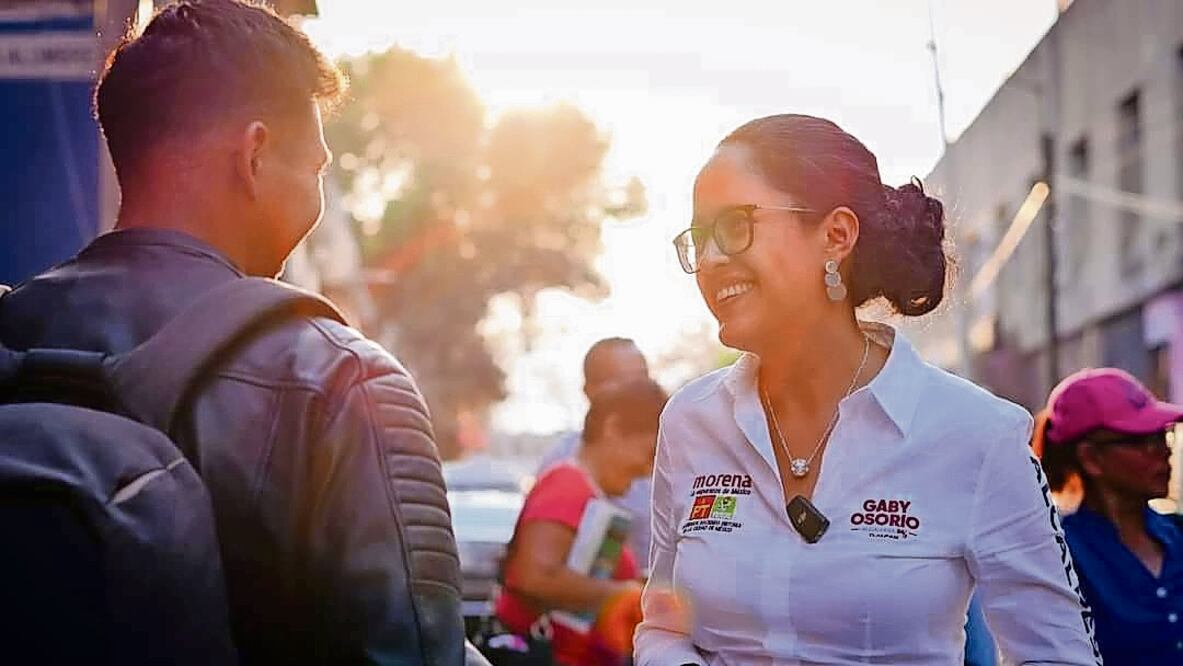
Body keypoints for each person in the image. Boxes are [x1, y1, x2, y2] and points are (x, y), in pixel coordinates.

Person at [0, 1, 469, 663]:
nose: (316, 196)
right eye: (317, 171)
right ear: (254, 154)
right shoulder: (340, 380)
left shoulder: (11, 335)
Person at [636, 114, 1100, 664]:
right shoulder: (690, 421)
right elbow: (662, 626)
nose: (711, 259)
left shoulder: (979, 435)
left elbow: (1058, 654)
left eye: (735, 225)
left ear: (836, 236)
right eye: (700, 238)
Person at [497, 378, 667, 665]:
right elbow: (533, 577)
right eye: (650, 453)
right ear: (613, 428)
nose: (648, 470)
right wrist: (625, 593)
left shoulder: (591, 495)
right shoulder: (567, 484)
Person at [1034, 368, 1183, 664]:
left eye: (1162, 436)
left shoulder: (1177, 532)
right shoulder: (1061, 555)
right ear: (1091, 457)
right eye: (1141, 441)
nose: (1163, 451)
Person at [537, 337, 654, 569]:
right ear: (589, 391)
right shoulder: (564, 466)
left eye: (644, 378)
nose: (640, 391)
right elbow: (537, 572)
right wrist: (625, 588)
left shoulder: (670, 454)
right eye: (624, 381)